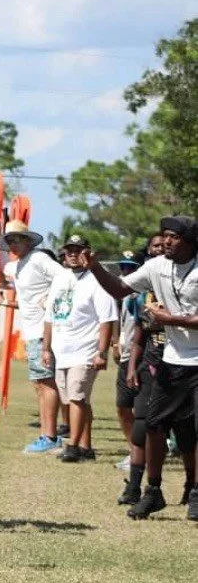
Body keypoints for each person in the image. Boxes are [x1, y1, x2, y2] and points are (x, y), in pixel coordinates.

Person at [80, 215, 198, 521]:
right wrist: (94, 268)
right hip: (172, 361)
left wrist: (169, 319)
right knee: (154, 426)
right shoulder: (157, 266)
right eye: (164, 236)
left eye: (174, 237)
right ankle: (153, 491)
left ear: (190, 241)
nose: (167, 241)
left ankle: (196, 491)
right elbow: (120, 289)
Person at [119, 234, 196, 509]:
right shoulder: (146, 294)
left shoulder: (186, 285)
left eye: (165, 246)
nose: (160, 251)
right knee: (145, 427)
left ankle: (191, 486)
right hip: (153, 367)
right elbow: (140, 335)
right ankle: (139, 487)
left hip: (184, 365)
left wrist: (170, 317)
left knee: (188, 434)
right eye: (155, 249)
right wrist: (132, 367)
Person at [41, 235, 118, 463]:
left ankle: (73, 446)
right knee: (75, 400)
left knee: (76, 398)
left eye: (78, 250)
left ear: (88, 253)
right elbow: (50, 316)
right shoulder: (60, 278)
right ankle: (86, 446)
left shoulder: (98, 280)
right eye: (69, 250)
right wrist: (46, 348)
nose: (73, 254)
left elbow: (107, 319)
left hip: (85, 349)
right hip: (61, 350)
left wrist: (101, 352)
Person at [0, 220, 70, 453]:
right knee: (39, 383)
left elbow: (66, 278)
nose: (12, 245)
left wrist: (51, 299)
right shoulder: (19, 266)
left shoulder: (38, 259)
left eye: (16, 239)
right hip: (32, 333)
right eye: (9, 241)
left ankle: (49, 436)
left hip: (43, 332)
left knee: (45, 383)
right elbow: (3, 272)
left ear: (27, 240)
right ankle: (48, 434)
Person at [113, 249, 147, 471]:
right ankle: (132, 450)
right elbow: (115, 316)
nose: (126, 271)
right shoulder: (121, 291)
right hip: (126, 354)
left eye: (131, 267)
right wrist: (115, 341)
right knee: (123, 406)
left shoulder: (143, 292)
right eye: (123, 267)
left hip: (144, 354)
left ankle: (144, 452)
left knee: (143, 410)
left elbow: (140, 326)